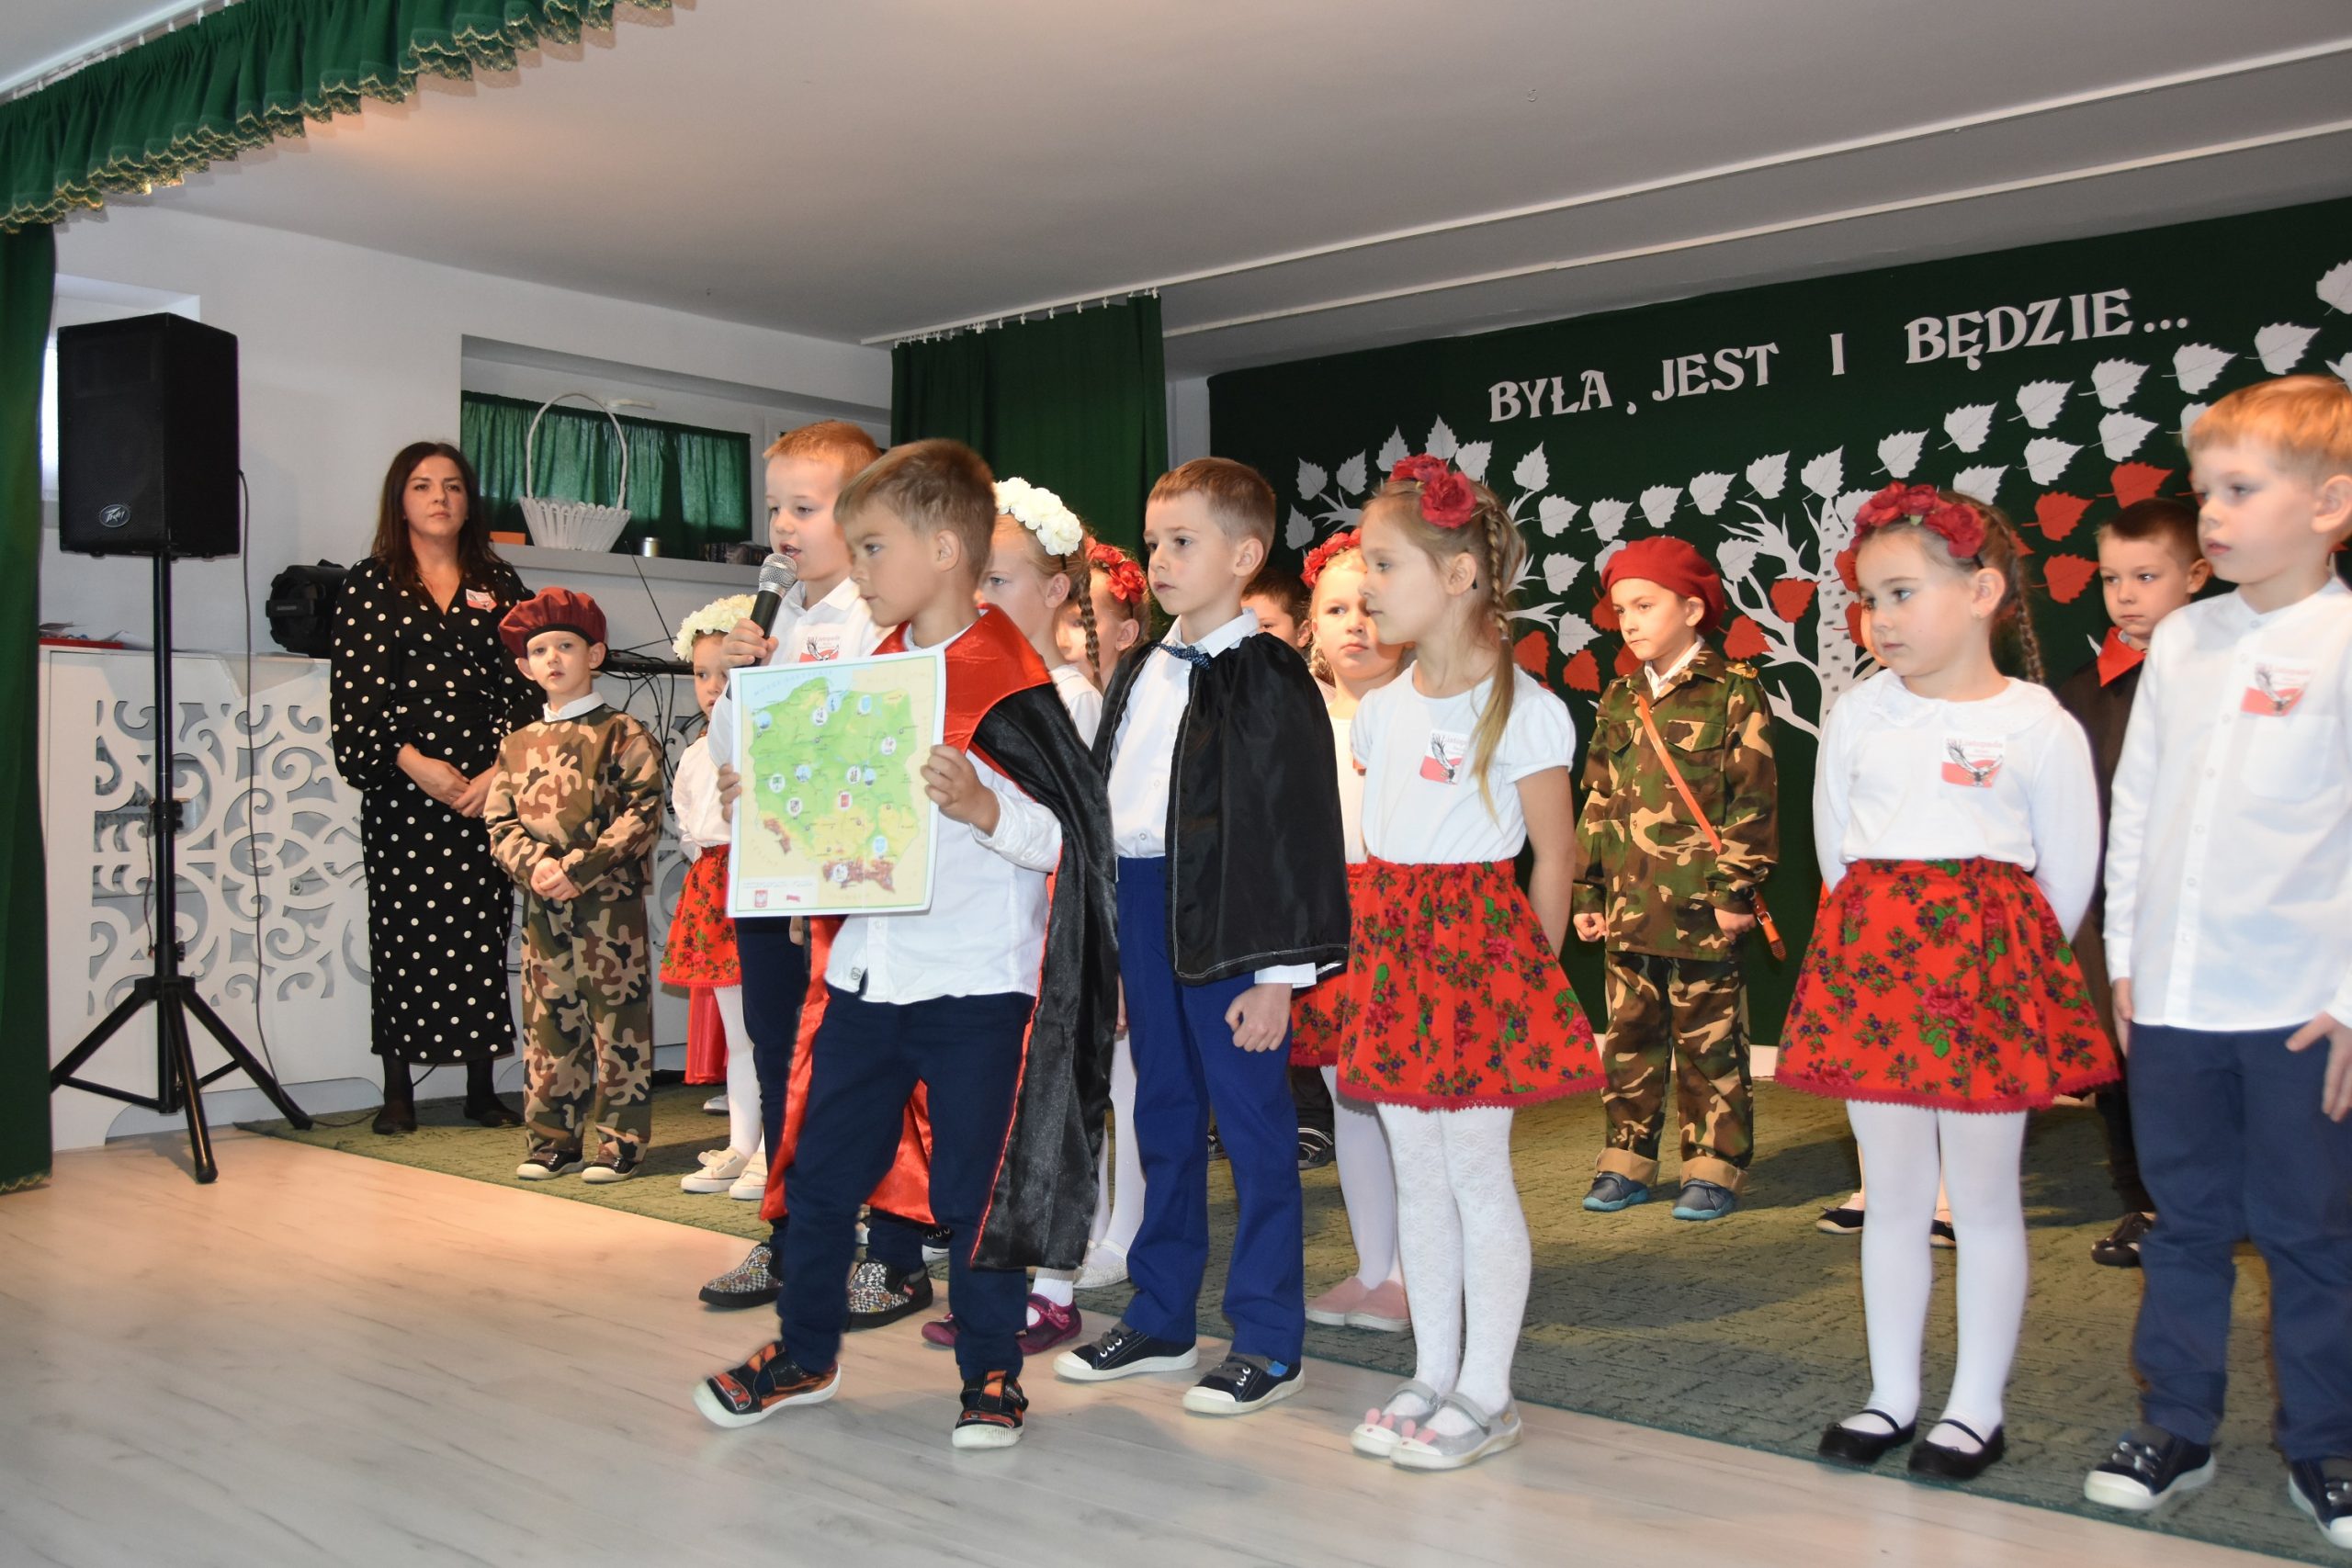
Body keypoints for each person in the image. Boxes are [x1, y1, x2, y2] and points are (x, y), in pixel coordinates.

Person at [693, 439, 1115, 1450]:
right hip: (867, 978)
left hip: (978, 988)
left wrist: (984, 807)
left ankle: (991, 1372)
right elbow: (820, 810)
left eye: (874, 546)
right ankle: (804, 1352)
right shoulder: (863, 669)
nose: (859, 566)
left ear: (944, 550)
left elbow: (1068, 841)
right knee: (819, 1176)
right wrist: (769, 805)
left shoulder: (1018, 685)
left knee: (974, 1190)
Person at [1780, 483, 2112, 1483]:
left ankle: (1976, 1407)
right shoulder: (1858, 714)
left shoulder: (2036, 722)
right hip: (1875, 975)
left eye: (1902, 593)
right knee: (1892, 1194)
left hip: (1986, 985)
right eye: (1867, 599)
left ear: (1981, 593)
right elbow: (1836, 850)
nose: (1879, 619)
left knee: (1982, 1196)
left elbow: (2067, 874)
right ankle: (1891, 1393)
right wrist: (1883, 944)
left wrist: (1992, 962)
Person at [2082, 376, 2352, 1550]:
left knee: (2310, 1235)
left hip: (2300, 1011)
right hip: (2174, 1004)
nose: (2214, 516)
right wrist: (2127, 964)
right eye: (2204, 493)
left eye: (2240, 490)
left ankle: (2326, 1442)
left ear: (2329, 504)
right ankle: (2176, 1424)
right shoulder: (2185, 637)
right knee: (2182, 1224)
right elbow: (2137, 806)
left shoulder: (2342, 641)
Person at [1055, 458, 1351, 1416]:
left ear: (1246, 554)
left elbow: (1293, 828)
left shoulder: (1269, 674)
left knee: (1256, 1133)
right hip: (1145, 907)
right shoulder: (1144, 667)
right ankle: (1162, 1317)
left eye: (1183, 541)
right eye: (1154, 542)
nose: (1160, 559)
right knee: (1162, 1118)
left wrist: (1277, 974)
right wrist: (1107, 942)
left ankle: (1267, 1338)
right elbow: (1112, 809)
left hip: (1234, 922)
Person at [1334, 457, 1600, 1472]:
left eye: (1383, 564)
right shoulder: (1383, 708)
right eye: (1363, 565)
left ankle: (1488, 1388)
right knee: (1418, 1172)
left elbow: (1555, 857)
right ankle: (1431, 1370)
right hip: (1397, 947)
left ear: (1456, 576)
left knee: (1478, 1175)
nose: (1366, 587)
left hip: (1479, 954)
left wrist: (1525, 984)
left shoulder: (1524, 708)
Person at [695, 421, 936, 1317]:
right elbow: (731, 764)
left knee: (870, 1064)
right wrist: (736, 683)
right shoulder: (772, 622)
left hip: (853, 886)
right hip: (772, 876)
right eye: (776, 509)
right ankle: (793, 1235)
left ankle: (897, 1248)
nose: (783, 528)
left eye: (805, 507)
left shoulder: (881, 619)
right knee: (779, 1056)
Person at [924, 475, 1100, 1356]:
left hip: (1045, 942)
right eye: (975, 580)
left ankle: (1053, 1283)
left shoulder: (1069, 697)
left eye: (999, 579)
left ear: (1057, 589)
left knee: (1053, 1107)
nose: (981, 596)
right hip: (976, 943)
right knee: (988, 1123)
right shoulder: (959, 686)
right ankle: (991, 1280)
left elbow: (1071, 838)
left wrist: (983, 812)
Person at [330, 442, 535, 1134]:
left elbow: (528, 687)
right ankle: (398, 1091)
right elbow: (356, 699)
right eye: (422, 486)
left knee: (481, 933)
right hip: (403, 789)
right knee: (401, 934)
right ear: (401, 501)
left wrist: (497, 774)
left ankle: (481, 1088)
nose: (439, 497)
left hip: (486, 789)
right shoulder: (370, 583)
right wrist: (414, 762)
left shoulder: (499, 583)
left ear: (468, 502)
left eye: (451, 486)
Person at [1573, 536, 1778, 1222]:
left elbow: (1753, 801)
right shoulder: (1620, 696)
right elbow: (1598, 797)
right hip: (1629, 905)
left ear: (1692, 609)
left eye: (1645, 605)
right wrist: (1587, 889)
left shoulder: (1733, 692)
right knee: (1628, 1039)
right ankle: (1626, 1160)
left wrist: (1736, 890)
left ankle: (1714, 1166)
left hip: (1701, 906)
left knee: (1709, 1045)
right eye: (1620, 609)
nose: (1629, 622)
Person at [2052, 498, 2210, 1267]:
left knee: (2208, 1065)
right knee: (2119, 1062)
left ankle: (2221, 1198)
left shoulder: (2225, 676)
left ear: (2197, 575)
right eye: (2112, 579)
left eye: (2147, 576)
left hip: (2206, 911)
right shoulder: (2081, 693)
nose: (2126, 595)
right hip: (2110, 914)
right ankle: (2144, 1204)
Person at [483, 589, 667, 1182]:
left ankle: (620, 1141)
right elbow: (499, 822)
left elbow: (643, 810)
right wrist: (537, 865)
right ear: (524, 667)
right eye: (540, 651)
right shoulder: (516, 744)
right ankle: (553, 1141)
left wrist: (577, 868)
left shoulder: (622, 731)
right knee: (548, 1022)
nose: (554, 658)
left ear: (595, 654)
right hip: (543, 905)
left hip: (607, 904)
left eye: (566, 645)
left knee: (617, 1020)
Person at [1287, 529, 1412, 1334]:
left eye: (1369, 606)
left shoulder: (1420, 708)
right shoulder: (1299, 719)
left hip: (1402, 917)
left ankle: (1412, 1271)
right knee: (1349, 1098)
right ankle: (1373, 1265)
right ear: (1312, 626)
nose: (1355, 624)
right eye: (1336, 609)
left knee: (1402, 1102)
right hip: (1329, 921)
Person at [1059, 536, 1150, 1289]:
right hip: (1079, 899)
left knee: (1127, 1080)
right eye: (1066, 614)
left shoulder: (1117, 702)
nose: (1071, 632)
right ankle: (1085, 1222)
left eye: (1084, 616)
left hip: (1122, 901)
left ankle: (1126, 1231)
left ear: (1125, 630)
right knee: (1086, 1075)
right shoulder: (1071, 694)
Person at [665, 595, 761, 1195]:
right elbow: (687, 826)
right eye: (702, 674)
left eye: (726, 673)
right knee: (738, 1031)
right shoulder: (695, 754)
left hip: (755, 881)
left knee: (770, 1025)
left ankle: (776, 1148)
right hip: (712, 886)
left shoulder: (760, 742)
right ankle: (742, 1142)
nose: (712, 687)